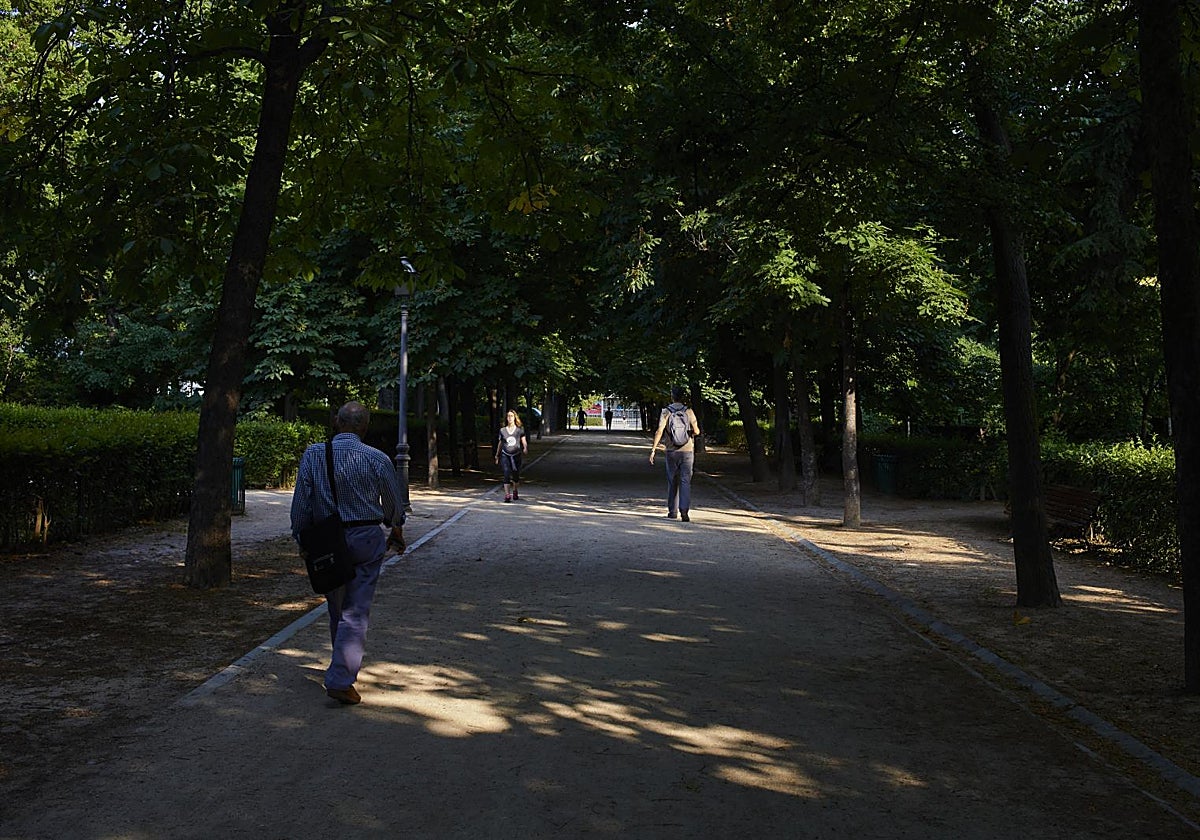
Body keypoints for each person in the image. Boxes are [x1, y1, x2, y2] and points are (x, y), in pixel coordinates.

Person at [290, 401, 405, 706]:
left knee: (337, 607)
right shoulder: (377, 458)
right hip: (366, 537)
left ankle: (342, 667)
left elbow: (302, 503)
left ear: (336, 422)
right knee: (356, 611)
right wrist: (396, 528)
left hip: (327, 541)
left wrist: (301, 538)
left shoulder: (314, 454)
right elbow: (394, 505)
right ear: (365, 427)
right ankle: (341, 678)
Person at [649, 386, 702, 522]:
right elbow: (697, 431)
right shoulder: (689, 412)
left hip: (671, 451)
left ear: (672, 396)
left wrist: (653, 449)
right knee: (685, 481)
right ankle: (684, 511)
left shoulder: (666, 412)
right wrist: (688, 433)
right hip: (687, 451)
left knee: (672, 481)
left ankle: (672, 511)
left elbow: (659, 431)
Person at [495, 409, 528, 502]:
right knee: (506, 474)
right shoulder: (502, 430)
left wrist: (525, 448)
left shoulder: (519, 430)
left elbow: (523, 441)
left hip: (516, 455)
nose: (509, 418)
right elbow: (500, 443)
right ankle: (507, 495)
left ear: (515, 418)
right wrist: (497, 455)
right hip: (505, 455)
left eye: (511, 416)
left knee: (516, 476)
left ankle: (515, 491)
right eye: (508, 416)